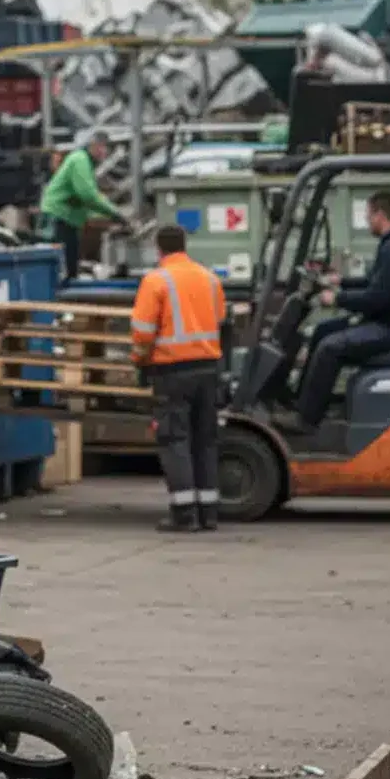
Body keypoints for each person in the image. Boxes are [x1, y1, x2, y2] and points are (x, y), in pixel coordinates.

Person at [284, 190, 390, 431]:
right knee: (323, 331)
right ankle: (302, 403)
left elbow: (377, 298)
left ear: (380, 215)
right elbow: (375, 282)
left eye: (368, 215)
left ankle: (306, 420)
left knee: (330, 348)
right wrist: (339, 281)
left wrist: (337, 299)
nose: (367, 221)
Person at [130, 224, 227, 532]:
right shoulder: (210, 279)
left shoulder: (156, 281)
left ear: (159, 249)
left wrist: (140, 361)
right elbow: (221, 319)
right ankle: (209, 512)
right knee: (205, 440)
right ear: (185, 245)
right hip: (209, 369)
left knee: (175, 440)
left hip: (173, 372)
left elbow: (143, 332)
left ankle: (184, 515)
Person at [39, 129, 126, 281]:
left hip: (67, 219)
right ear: (90, 146)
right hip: (59, 218)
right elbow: (88, 195)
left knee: (69, 265)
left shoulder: (85, 163)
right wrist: (115, 213)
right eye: (100, 146)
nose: (104, 151)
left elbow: (85, 201)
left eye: (105, 147)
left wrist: (106, 216)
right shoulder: (80, 159)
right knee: (62, 268)